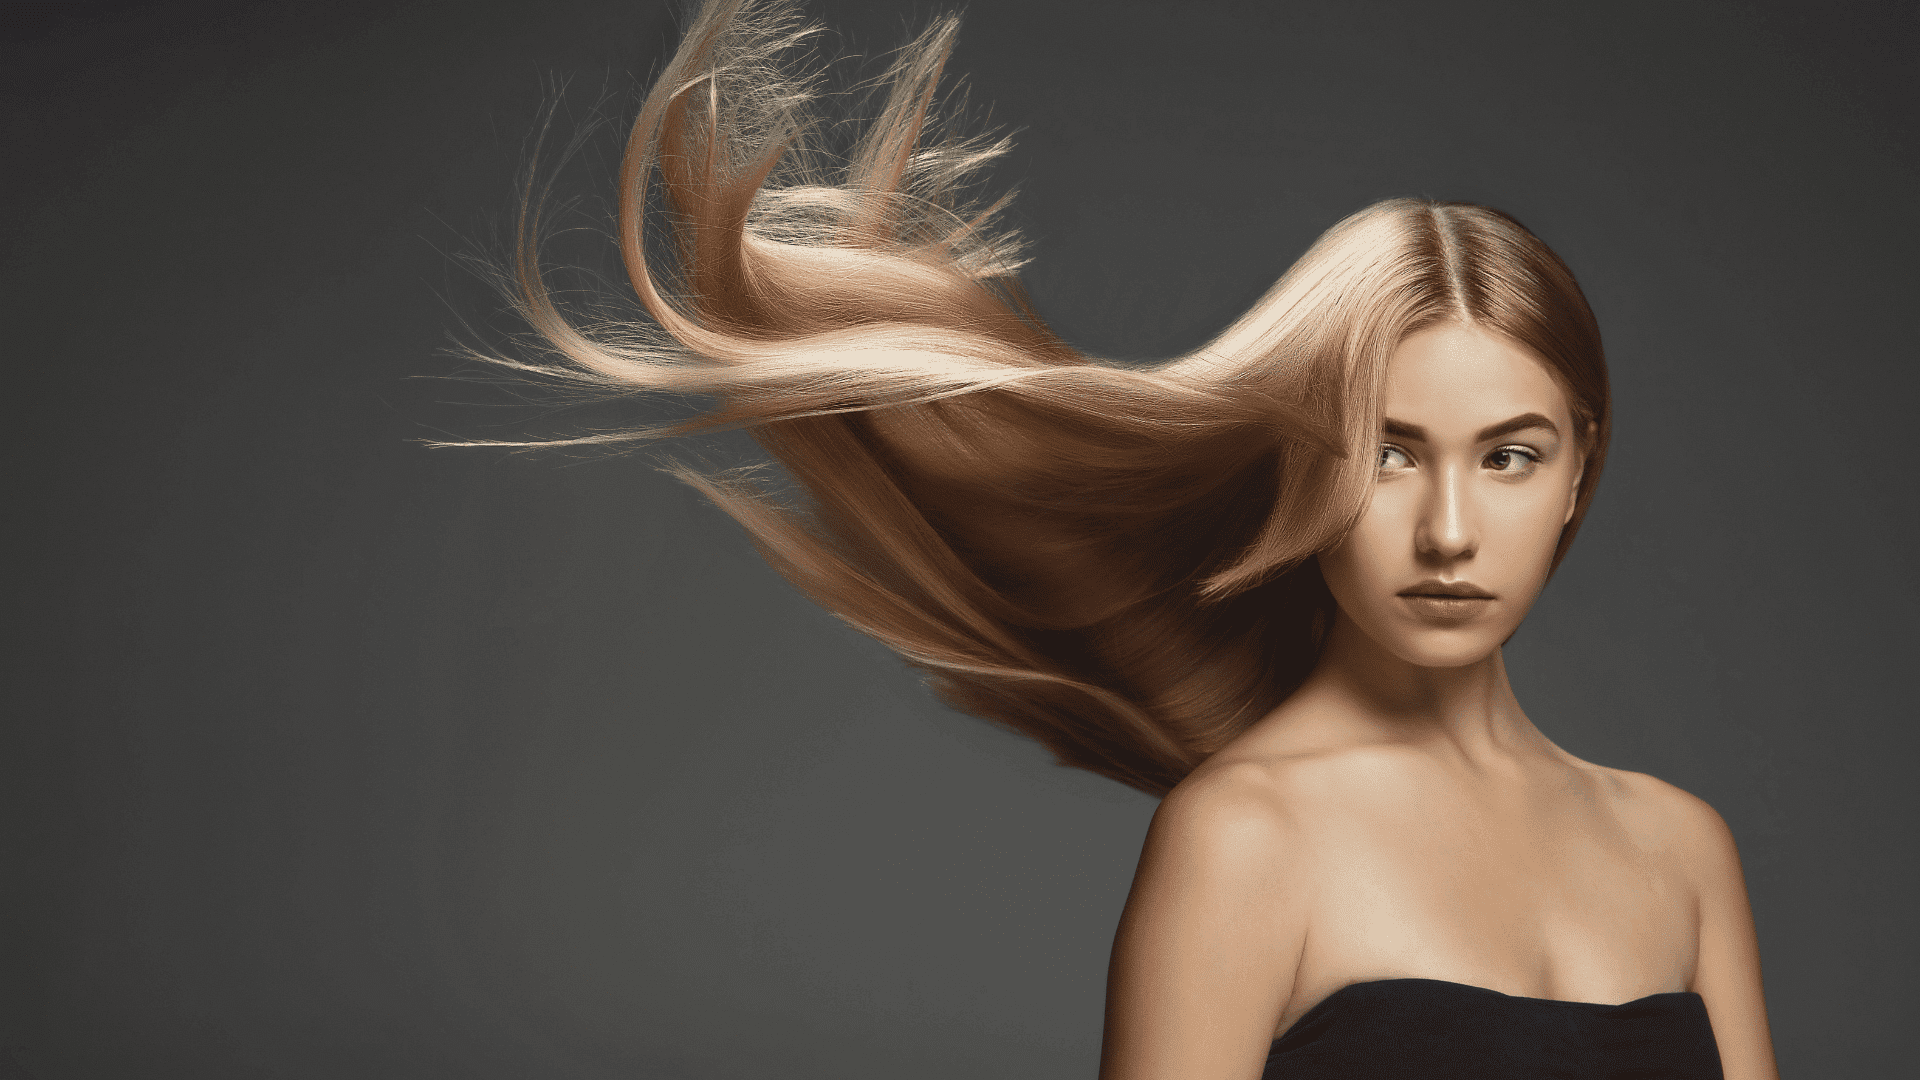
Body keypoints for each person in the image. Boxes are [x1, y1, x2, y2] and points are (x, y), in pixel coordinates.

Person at [450, 1, 1779, 1076]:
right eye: (1386, 452)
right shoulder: (1245, 839)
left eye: (1507, 456)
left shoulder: (1681, 848)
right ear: (1301, 469)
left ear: (1577, 471)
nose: (1446, 528)